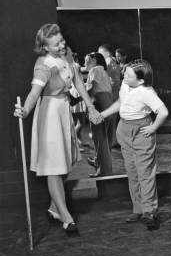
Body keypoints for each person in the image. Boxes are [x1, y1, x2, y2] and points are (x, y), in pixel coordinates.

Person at [13, 23, 103, 235]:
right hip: (49, 114)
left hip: (64, 112)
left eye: (62, 40)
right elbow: (35, 92)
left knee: (63, 165)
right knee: (54, 169)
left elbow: (79, 83)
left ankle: (55, 209)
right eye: (56, 44)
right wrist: (25, 110)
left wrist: (90, 107)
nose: (62, 45)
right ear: (45, 47)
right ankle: (66, 217)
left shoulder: (68, 54)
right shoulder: (43, 64)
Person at [99, 59, 168, 229]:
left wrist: (153, 128)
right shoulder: (125, 84)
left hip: (141, 130)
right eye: (126, 72)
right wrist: (103, 114)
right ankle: (138, 208)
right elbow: (121, 103)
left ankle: (150, 211)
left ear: (141, 80)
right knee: (132, 171)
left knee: (145, 172)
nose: (124, 76)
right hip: (124, 128)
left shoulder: (147, 92)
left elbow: (163, 112)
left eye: (129, 75)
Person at [84, 52, 114, 177]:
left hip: (99, 102)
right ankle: (100, 162)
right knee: (105, 138)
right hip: (109, 103)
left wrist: (81, 95)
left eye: (86, 60)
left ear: (94, 59)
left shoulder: (95, 70)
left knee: (99, 138)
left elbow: (94, 88)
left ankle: (103, 170)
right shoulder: (103, 71)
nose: (84, 63)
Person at [98, 44, 122, 148]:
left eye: (100, 53)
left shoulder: (107, 61)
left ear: (106, 53)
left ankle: (106, 140)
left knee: (108, 116)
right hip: (115, 91)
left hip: (111, 92)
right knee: (112, 117)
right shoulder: (113, 61)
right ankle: (112, 140)